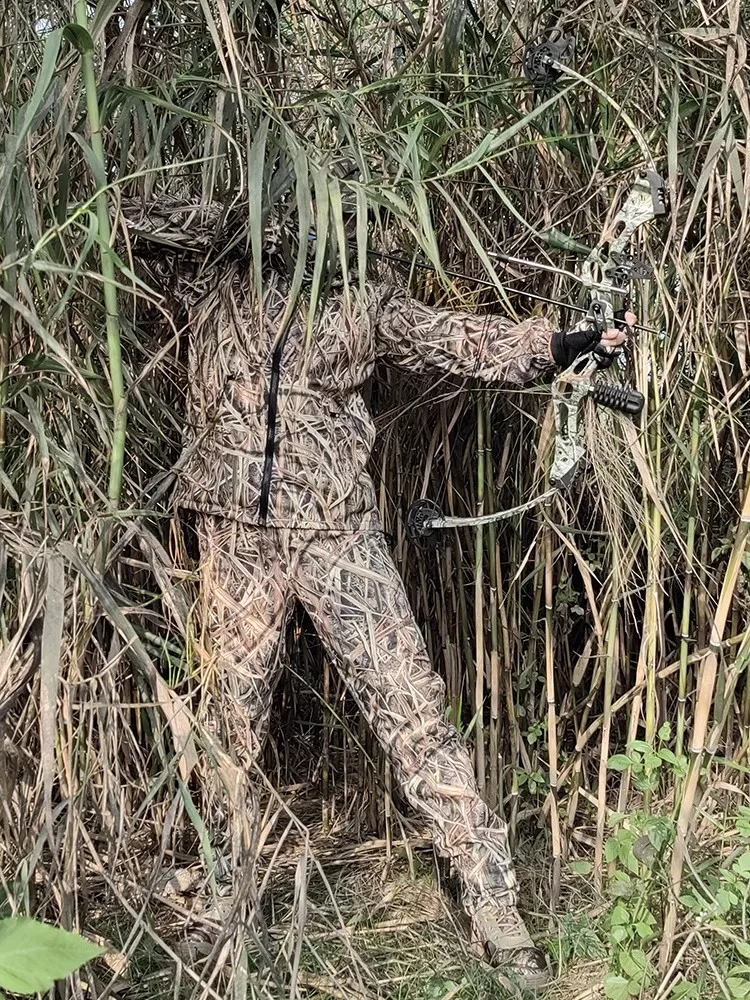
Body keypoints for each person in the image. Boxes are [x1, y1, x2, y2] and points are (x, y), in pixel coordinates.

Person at [124, 198, 629, 989]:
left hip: (336, 533)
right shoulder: (221, 266)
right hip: (233, 532)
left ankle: (495, 900)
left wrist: (558, 343)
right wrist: (242, 209)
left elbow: (457, 340)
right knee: (227, 720)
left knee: (413, 709)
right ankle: (222, 899)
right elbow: (137, 217)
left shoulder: (364, 292)